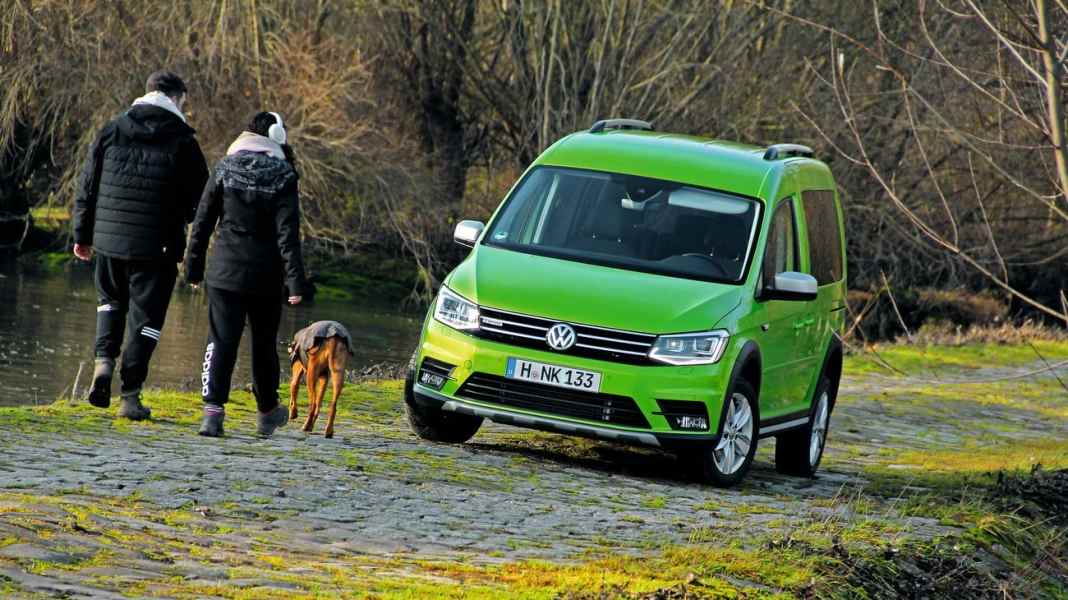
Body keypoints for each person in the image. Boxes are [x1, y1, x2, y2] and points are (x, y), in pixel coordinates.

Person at [72, 70, 209, 420]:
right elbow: (201, 198)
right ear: (178, 98)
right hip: (158, 246)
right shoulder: (184, 141)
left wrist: (82, 235)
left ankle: (103, 367)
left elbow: (88, 184)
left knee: (109, 305)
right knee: (146, 320)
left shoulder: (112, 128)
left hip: (108, 239)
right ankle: (129, 396)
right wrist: (183, 218)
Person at [184, 111, 309, 437]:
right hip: (265, 277)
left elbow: (202, 223)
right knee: (264, 344)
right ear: (277, 137)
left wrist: (193, 267)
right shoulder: (284, 175)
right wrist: (295, 282)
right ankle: (267, 411)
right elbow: (288, 236)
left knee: (221, 340)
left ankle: (212, 413)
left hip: (224, 272)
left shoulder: (224, 167)